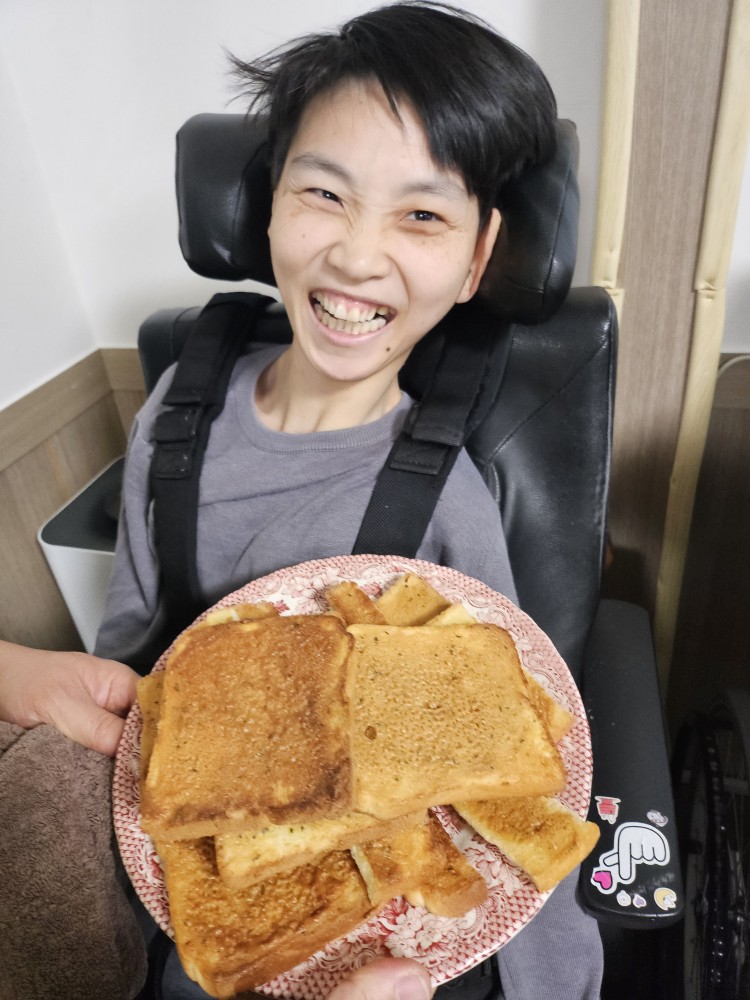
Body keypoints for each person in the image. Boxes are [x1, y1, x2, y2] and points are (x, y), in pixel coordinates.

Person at [6, 3, 603, 998]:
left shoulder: (449, 503)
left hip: (363, 940)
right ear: (269, 205)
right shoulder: (178, 408)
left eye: (422, 215)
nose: (358, 256)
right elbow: (131, 645)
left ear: (478, 257)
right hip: (178, 882)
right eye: (324, 193)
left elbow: (511, 784)